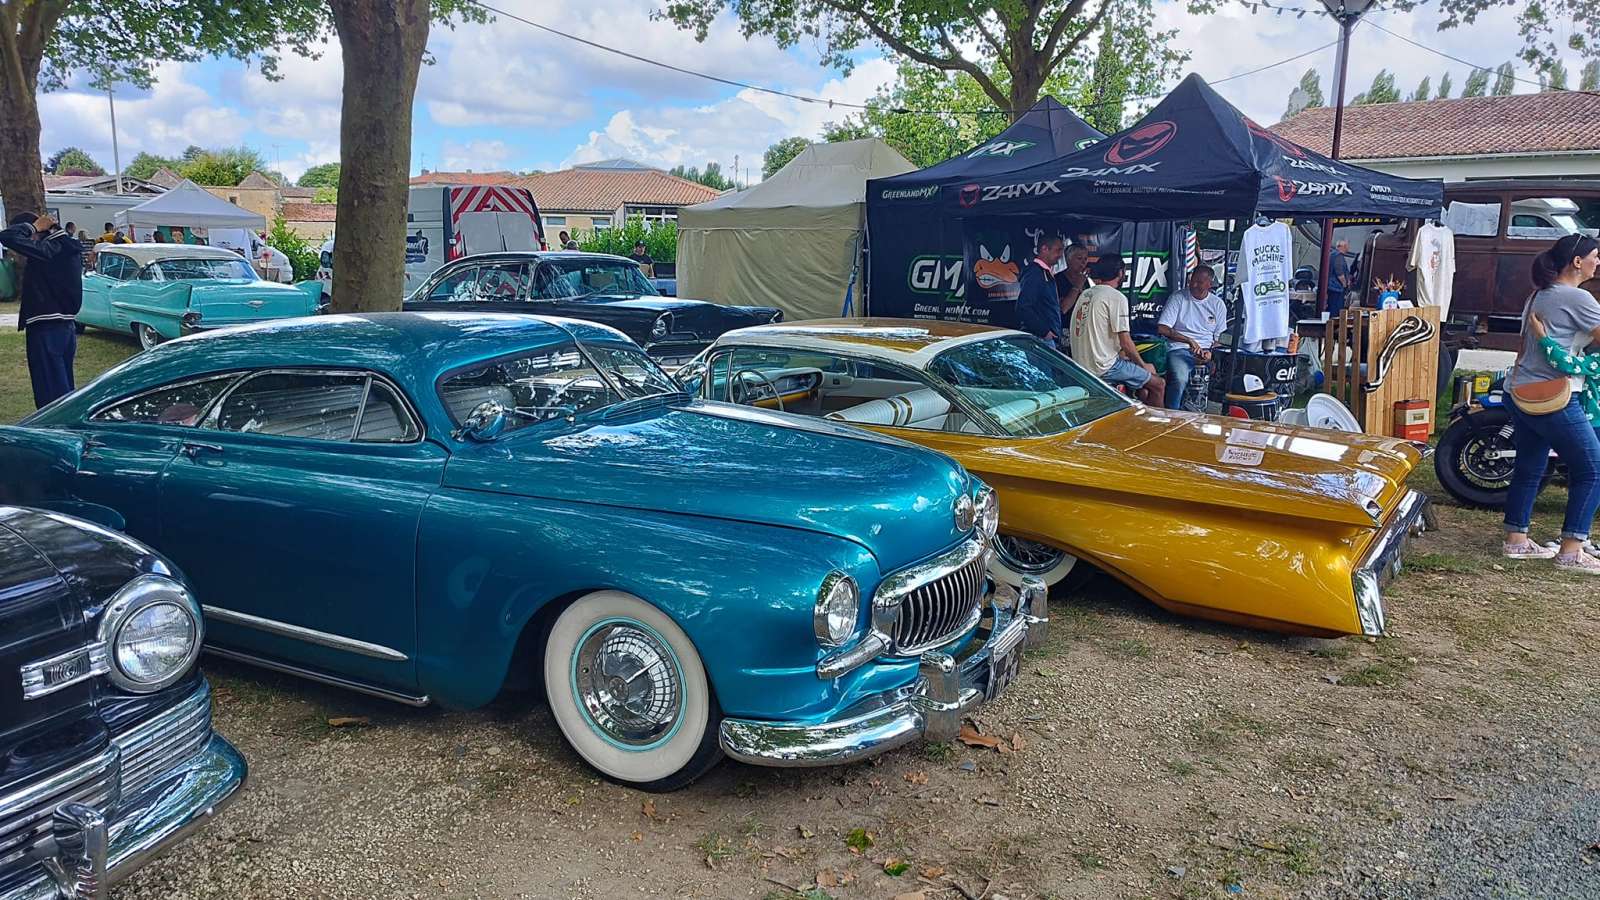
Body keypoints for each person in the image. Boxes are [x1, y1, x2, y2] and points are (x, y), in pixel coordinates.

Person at [1502, 233, 1600, 573]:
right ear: (1577, 261)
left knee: (1530, 466)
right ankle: (1572, 550)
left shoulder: (1538, 294)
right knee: (1593, 468)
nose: (1598, 262)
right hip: (1555, 396)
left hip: (1519, 390)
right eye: (1595, 256)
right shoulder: (1577, 297)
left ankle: (1517, 540)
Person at [0, 212, 84, 408]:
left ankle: (54, 426)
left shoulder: (51, 249)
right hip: (64, 326)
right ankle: (63, 422)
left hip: (47, 326)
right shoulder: (65, 246)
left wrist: (34, 226)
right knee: (62, 389)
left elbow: (7, 236)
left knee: (50, 393)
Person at [1070, 255, 1165, 405]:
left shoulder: (1086, 294)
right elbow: (1125, 342)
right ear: (1120, 273)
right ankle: (1156, 421)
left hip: (1082, 367)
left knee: (1143, 387)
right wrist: (1143, 366)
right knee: (1158, 385)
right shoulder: (1116, 297)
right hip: (1104, 367)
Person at [1157, 265, 1229, 409]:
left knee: (1224, 378)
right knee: (1180, 378)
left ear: (1209, 284)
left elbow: (1219, 339)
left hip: (1206, 350)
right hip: (1179, 348)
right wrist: (1189, 340)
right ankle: (1172, 413)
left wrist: (1210, 354)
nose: (1194, 285)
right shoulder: (1178, 298)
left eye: (1199, 282)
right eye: (1192, 281)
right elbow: (1162, 328)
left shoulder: (1217, 304)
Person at [1016, 235, 1064, 347]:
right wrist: (1044, 332)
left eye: (1062, 251)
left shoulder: (1045, 272)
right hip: (1041, 339)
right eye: (1058, 250)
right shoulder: (1035, 272)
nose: (1060, 255)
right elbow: (1023, 306)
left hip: (1048, 338)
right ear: (1044, 249)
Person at [1053, 243, 1090, 318]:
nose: (1083, 262)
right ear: (1068, 259)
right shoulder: (1057, 279)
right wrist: (1077, 286)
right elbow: (1063, 308)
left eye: (1085, 259)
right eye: (1079, 258)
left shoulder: (1084, 279)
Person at [1327, 239, 1353, 315]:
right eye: (1347, 247)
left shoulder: (1332, 254)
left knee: (1332, 307)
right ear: (1342, 247)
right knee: (1336, 309)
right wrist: (1345, 285)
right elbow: (1339, 273)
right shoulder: (1338, 256)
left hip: (1332, 286)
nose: (1348, 249)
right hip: (1336, 288)